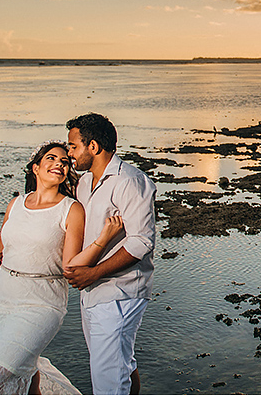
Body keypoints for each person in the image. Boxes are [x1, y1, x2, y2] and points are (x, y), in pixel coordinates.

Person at [0, 141, 126, 395]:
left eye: (65, 162)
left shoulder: (71, 209)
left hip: (41, 304)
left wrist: (104, 238)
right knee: (27, 374)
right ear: (35, 168)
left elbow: (70, 266)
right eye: (52, 159)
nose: (60, 164)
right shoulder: (15, 204)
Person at [63, 113, 156, 395]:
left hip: (120, 292)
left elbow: (142, 242)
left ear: (93, 147)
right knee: (120, 364)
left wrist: (94, 273)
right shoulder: (83, 183)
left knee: (107, 379)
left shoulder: (130, 181)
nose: (69, 153)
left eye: (73, 146)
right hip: (92, 292)